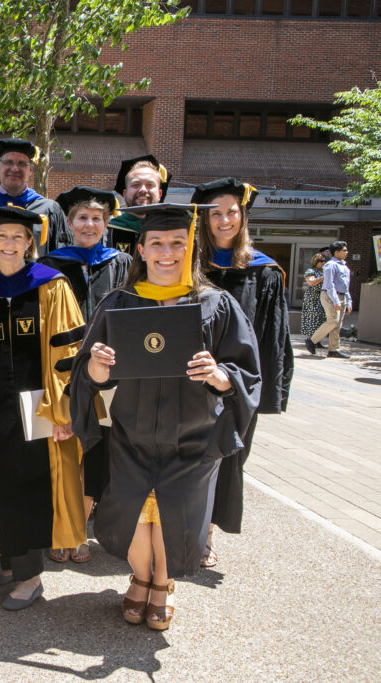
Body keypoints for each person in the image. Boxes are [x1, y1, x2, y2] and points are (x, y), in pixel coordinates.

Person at [70, 203, 261, 631]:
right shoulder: (119, 302)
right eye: (156, 243)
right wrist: (97, 368)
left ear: (191, 247)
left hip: (194, 435)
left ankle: (161, 583)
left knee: (176, 516)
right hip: (132, 433)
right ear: (140, 249)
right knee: (136, 515)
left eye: (177, 242)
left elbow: (247, 370)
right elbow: (87, 371)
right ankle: (139, 577)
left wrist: (220, 375)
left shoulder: (216, 303)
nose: (166, 252)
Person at [0, 205, 84, 611]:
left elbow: (69, 351)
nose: (9, 244)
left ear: (30, 241)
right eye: (1, 237)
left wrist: (62, 409)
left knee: (32, 486)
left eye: (18, 236)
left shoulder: (52, 286)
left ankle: (29, 577)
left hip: (38, 405)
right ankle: (14, 564)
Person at [194, 178, 293, 566]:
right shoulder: (191, 265)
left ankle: (207, 535)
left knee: (230, 457)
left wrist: (267, 392)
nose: (223, 220)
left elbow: (273, 338)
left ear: (242, 215)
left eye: (231, 212)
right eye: (214, 213)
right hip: (193, 377)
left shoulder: (263, 272)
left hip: (235, 384)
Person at [40, 187, 132, 563]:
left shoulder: (121, 263)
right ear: (70, 224)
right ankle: (60, 530)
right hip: (63, 370)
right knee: (62, 450)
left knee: (94, 452)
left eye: (97, 219)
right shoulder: (50, 264)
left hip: (107, 372)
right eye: (82, 218)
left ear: (107, 225)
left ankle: (78, 532)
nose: (89, 225)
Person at [0, 138, 70, 253]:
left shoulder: (49, 210)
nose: (15, 169)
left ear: (30, 170)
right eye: (8, 162)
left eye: (22, 164)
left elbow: (61, 255)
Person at [108, 155, 171, 255]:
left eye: (150, 185)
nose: (143, 190)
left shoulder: (172, 231)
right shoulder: (108, 231)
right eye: (135, 185)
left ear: (159, 194)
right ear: (124, 194)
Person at [308, 240, 353, 358]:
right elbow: (329, 285)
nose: (346, 252)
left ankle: (333, 349)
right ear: (336, 252)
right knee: (333, 320)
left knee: (338, 323)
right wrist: (336, 300)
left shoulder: (344, 265)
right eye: (344, 250)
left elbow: (345, 285)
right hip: (330, 296)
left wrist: (348, 301)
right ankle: (312, 340)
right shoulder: (330, 265)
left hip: (342, 295)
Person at [300, 252, 328, 342]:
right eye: (321, 261)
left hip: (323, 297)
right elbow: (311, 282)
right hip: (313, 297)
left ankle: (317, 340)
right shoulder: (311, 271)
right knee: (313, 318)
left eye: (324, 261)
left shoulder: (324, 272)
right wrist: (323, 277)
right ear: (315, 261)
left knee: (321, 318)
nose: (323, 263)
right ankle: (310, 339)